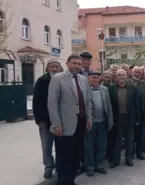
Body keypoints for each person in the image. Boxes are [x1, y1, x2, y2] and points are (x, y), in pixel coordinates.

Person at [48, 54, 93, 185]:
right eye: (74, 63)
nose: (77, 66)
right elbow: (52, 103)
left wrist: (89, 118)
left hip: (80, 124)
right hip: (64, 126)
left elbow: (87, 101)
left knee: (76, 155)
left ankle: (71, 180)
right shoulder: (57, 79)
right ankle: (63, 182)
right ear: (67, 64)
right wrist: (56, 124)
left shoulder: (83, 79)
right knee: (63, 156)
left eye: (79, 64)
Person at [33, 59, 62, 179]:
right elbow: (36, 101)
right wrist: (39, 120)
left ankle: (61, 167)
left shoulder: (64, 80)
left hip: (61, 120)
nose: (55, 69)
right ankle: (49, 167)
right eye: (52, 67)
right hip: (45, 121)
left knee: (61, 146)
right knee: (47, 146)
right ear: (47, 69)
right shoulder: (42, 81)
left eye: (57, 66)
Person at [108, 69, 140, 168]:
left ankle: (129, 159)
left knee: (129, 140)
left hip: (129, 118)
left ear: (126, 76)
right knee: (116, 140)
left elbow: (137, 104)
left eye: (123, 75)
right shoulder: (111, 89)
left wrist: (138, 118)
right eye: (119, 75)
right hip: (117, 118)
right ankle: (115, 160)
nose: (121, 76)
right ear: (116, 77)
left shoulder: (132, 88)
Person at [85, 71, 113, 177]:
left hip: (102, 122)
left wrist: (110, 121)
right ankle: (90, 167)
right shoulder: (84, 90)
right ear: (88, 78)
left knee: (101, 145)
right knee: (89, 146)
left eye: (97, 78)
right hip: (90, 123)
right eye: (93, 78)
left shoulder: (105, 89)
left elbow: (109, 106)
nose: (95, 80)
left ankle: (100, 165)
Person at [130, 66, 145, 160]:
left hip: (141, 114)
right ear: (132, 72)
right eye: (136, 72)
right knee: (130, 136)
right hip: (130, 114)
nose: (137, 74)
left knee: (140, 135)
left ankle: (140, 152)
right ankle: (129, 154)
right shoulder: (126, 83)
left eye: (139, 73)